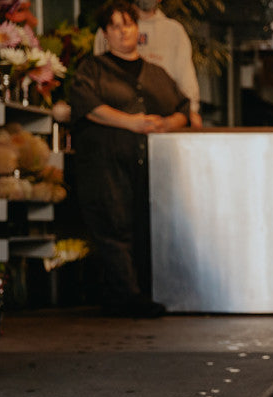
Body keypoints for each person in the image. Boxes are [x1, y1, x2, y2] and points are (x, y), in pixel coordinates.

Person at [69, 0, 189, 318]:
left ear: (138, 29)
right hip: (106, 166)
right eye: (115, 27)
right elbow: (86, 104)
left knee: (146, 227)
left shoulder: (157, 74)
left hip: (149, 168)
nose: (123, 32)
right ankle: (127, 295)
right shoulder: (92, 69)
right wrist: (130, 122)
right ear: (105, 34)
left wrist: (167, 123)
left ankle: (143, 293)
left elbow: (184, 109)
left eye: (128, 24)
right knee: (114, 225)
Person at [94, 0, 202, 128]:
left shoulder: (173, 30)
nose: (123, 31)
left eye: (129, 25)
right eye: (118, 27)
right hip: (117, 122)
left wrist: (190, 111)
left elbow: (186, 77)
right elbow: (99, 76)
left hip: (164, 119)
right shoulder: (107, 29)